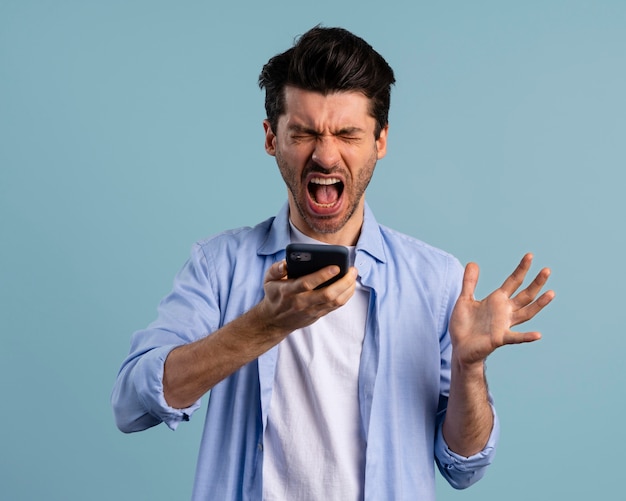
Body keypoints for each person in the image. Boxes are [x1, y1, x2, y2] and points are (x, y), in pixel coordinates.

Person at [112, 26, 554, 501]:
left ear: (380, 141)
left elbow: (464, 467)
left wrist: (470, 369)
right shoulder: (218, 266)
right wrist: (263, 326)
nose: (325, 155)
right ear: (271, 138)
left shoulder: (437, 281)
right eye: (303, 133)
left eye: (348, 134)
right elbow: (133, 403)